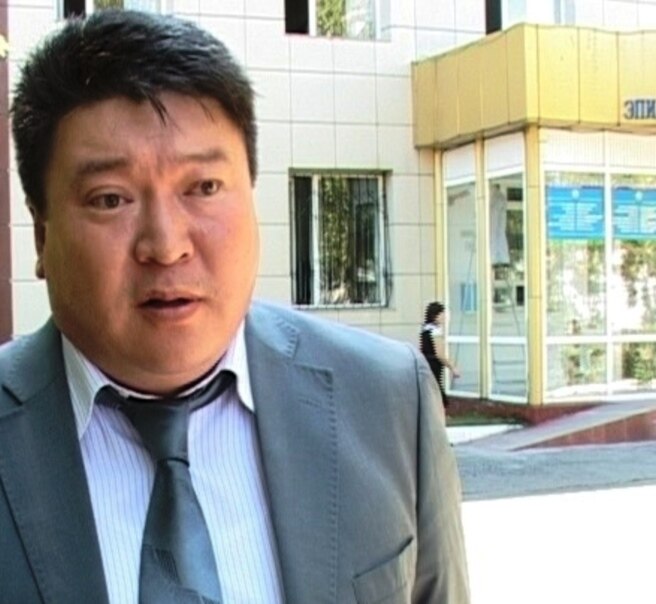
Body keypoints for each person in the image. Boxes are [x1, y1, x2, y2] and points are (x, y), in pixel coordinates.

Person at [0, 10, 469, 604]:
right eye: (110, 198)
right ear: (42, 235)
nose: (166, 245)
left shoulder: (388, 398)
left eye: (203, 187)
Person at [420, 301, 461, 409]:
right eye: (442, 314)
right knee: (438, 396)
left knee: (431, 394)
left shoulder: (425, 328)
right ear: (435, 315)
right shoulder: (435, 330)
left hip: (426, 363)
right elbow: (439, 354)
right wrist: (452, 367)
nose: (445, 317)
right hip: (434, 364)